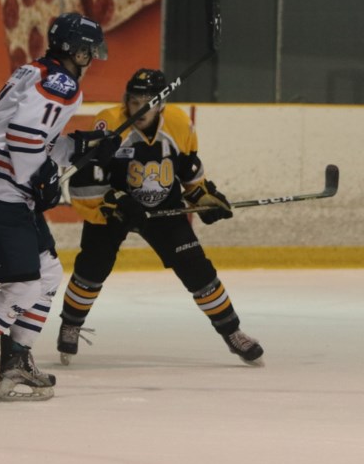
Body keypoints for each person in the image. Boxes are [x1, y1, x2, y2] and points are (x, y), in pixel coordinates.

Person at [0, 12, 119, 402]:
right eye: (87, 50)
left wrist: (82, 147)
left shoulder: (36, 71)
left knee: (47, 273)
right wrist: (40, 178)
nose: (91, 58)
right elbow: (25, 136)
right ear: (73, 49)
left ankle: (17, 360)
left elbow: (34, 136)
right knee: (24, 285)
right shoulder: (62, 83)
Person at [60, 68, 264, 366]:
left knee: (198, 271)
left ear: (161, 104)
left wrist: (204, 198)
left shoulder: (180, 124)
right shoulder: (110, 122)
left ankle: (233, 333)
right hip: (116, 207)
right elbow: (88, 178)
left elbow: (189, 173)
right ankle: (71, 324)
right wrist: (116, 203)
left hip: (163, 210)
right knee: (91, 267)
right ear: (125, 101)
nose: (139, 108)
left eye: (147, 101)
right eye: (134, 100)